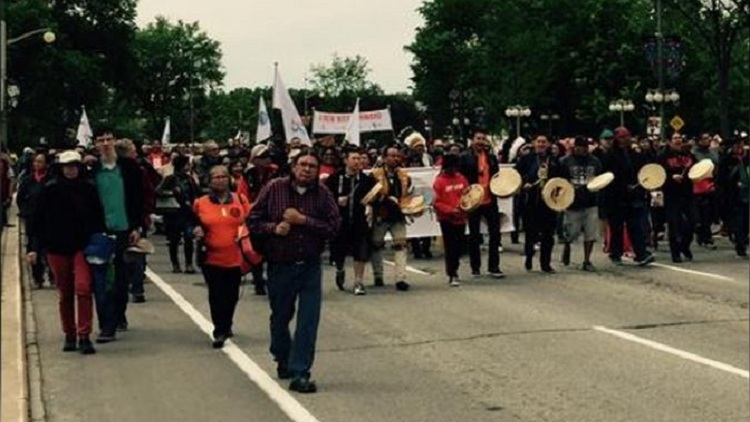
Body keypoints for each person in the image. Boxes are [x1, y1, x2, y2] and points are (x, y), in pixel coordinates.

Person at [248, 151, 340, 394]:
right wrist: (273, 228)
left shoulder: (322, 194)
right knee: (280, 317)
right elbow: (253, 220)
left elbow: (333, 227)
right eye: (302, 165)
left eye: (312, 165)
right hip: (280, 264)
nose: (306, 169)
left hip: (309, 265)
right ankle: (282, 355)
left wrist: (303, 220)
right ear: (293, 167)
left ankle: (300, 371)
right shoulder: (274, 188)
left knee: (308, 321)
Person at [27, 151, 105, 354]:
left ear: (79, 167)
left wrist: (101, 242)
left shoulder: (89, 189)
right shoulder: (49, 190)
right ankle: (69, 334)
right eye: (67, 166)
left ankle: (84, 335)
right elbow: (36, 221)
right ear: (61, 168)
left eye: (74, 166)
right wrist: (33, 248)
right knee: (65, 292)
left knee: (83, 289)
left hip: (83, 246)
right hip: (56, 247)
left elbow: (98, 218)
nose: (71, 169)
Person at [90, 127, 145, 343]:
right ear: (95, 144)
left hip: (124, 229)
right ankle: (107, 325)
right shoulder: (93, 171)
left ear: (114, 142)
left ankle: (119, 314)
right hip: (100, 231)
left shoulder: (130, 169)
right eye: (101, 140)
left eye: (109, 139)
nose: (105, 143)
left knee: (121, 278)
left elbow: (138, 199)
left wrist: (137, 226)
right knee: (102, 280)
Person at [193, 165, 251, 349]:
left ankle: (227, 323)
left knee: (231, 294)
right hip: (211, 256)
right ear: (209, 181)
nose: (220, 180)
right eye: (216, 177)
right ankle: (220, 329)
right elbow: (191, 223)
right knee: (216, 294)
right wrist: (195, 230)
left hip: (235, 256)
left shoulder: (240, 200)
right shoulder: (201, 203)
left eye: (223, 176)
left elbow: (250, 221)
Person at [600, 127, 655, 266]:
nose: (625, 139)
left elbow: (643, 171)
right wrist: (623, 186)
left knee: (637, 227)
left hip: (634, 196)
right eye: (622, 137)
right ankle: (615, 252)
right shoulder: (610, 156)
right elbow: (608, 177)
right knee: (617, 227)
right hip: (616, 197)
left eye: (627, 136)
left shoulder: (636, 154)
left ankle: (641, 253)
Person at [325, 146, 374, 295]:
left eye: (359, 158)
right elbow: (325, 199)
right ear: (345, 160)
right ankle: (340, 269)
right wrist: (336, 200)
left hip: (360, 222)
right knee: (339, 252)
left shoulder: (367, 180)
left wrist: (371, 204)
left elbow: (374, 197)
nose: (357, 162)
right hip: (340, 223)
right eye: (354, 158)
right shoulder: (334, 179)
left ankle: (358, 282)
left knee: (361, 251)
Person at [459, 129, 504, 278]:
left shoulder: (491, 158)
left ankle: (494, 266)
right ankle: (475, 266)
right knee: (474, 235)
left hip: (489, 200)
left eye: (483, 139)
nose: (480, 142)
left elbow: (497, 177)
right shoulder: (465, 157)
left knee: (495, 234)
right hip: (473, 201)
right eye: (478, 138)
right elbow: (461, 177)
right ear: (472, 141)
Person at [516, 134, 563, 273]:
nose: (541, 144)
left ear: (548, 144)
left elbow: (561, 179)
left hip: (548, 203)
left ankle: (545, 263)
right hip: (531, 201)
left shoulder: (554, 161)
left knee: (548, 235)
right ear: (534, 143)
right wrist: (525, 184)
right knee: (531, 233)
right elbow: (516, 176)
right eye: (539, 142)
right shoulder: (526, 159)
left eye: (544, 142)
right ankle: (529, 256)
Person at [369, 145, 414, 291]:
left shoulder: (404, 174)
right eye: (392, 155)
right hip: (381, 215)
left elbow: (408, 193)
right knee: (376, 245)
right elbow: (370, 196)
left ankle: (400, 279)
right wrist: (385, 200)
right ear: (384, 157)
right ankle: (378, 275)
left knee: (401, 245)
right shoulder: (374, 174)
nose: (395, 158)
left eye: (397, 156)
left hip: (398, 216)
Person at [559, 137, 603, 271]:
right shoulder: (565, 161)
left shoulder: (595, 161)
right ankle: (567, 244)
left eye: (583, 146)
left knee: (591, 233)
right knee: (572, 232)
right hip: (572, 203)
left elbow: (601, 178)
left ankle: (587, 260)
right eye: (577, 146)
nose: (580, 149)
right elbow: (560, 181)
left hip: (591, 202)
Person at [157, 155, 200, 273]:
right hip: (173, 212)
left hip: (187, 211)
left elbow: (196, 193)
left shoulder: (190, 179)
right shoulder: (170, 178)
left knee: (188, 237)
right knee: (174, 239)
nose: (188, 166)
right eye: (186, 164)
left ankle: (189, 264)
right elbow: (158, 191)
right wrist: (172, 192)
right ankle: (175, 264)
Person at [658, 132, 696, 263]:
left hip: (687, 193)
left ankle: (684, 246)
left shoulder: (688, 155)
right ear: (669, 141)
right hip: (671, 194)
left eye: (680, 137)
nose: (678, 140)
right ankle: (675, 253)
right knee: (674, 225)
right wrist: (671, 177)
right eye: (675, 138)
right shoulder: (663, 156)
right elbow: (658, 173)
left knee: (693, 222)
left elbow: (695, 169)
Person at [432, 153, 468, 286]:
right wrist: (450, 210)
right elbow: (436, 202)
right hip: (446, 219)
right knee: (450, 246)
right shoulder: (439, 181)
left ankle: (455, 269)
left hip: (461, 217)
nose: (454, 170)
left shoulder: (462, 178)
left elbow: (467, 194)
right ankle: (452, 273)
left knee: (459, 246)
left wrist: (465, 207)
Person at [17, 152, 52, 287]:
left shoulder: (50, 179)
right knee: (33, 247)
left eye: (40, 162)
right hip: (32, 218)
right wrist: (25, 211)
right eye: (35, 162)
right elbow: (21, 198)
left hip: (48, 220)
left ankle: (52, 274)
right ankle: (37, 277)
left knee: (48, 248)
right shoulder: (28, 179)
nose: (37, 164)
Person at [691, 133, 720, 249]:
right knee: (701, 212)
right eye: (704, 139)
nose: (707, 141)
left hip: (711, 183)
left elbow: (717, 164)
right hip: (698, 184)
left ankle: (705, 234)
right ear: (699, 141)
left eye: (708, 138)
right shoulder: (694, 153)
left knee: (709, 212)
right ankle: (703, 234)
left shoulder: (713, 152)